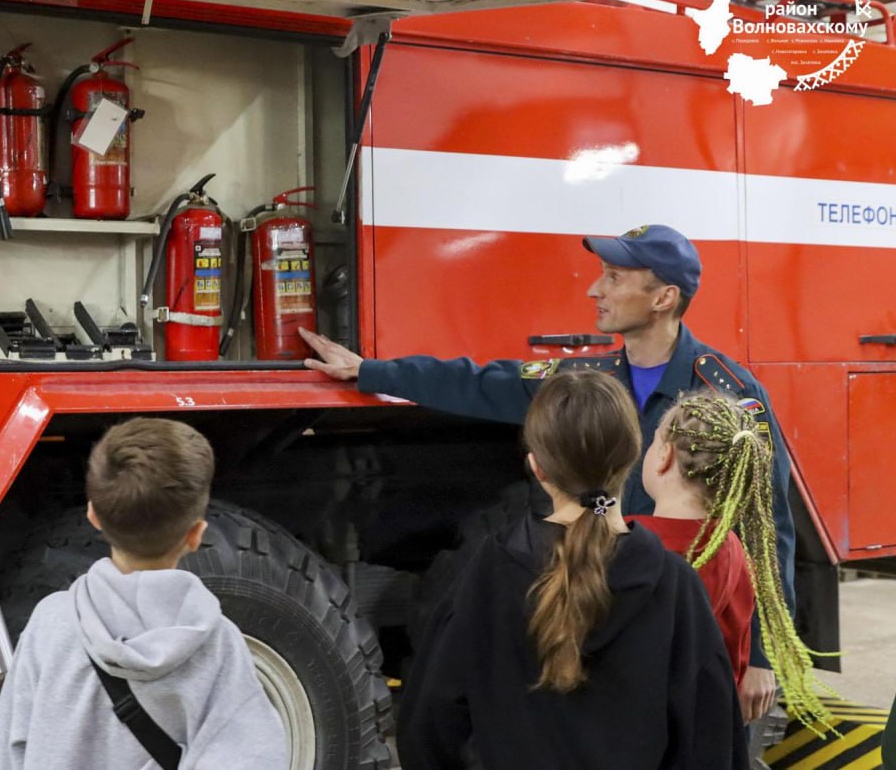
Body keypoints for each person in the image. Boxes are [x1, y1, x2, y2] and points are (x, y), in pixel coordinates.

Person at [299, 222, 795, 721]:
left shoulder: (726, 392)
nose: (594, 289)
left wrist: (762, 658)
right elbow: (482, 382)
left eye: (615, 278)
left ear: (664, 297)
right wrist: (370, 372)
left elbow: (768, 527)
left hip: (696, 624)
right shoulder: (592, 383)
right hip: (612, 617)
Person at [397, 371, 747, 769]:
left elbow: (428, 727)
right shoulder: (675, 584)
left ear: (537, 467)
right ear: (634, 455)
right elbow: (713, 743)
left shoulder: (491, 573)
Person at [0, 418, 287, 770]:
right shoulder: (217, 644)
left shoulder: (50, 623)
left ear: (92, 516)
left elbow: (14, 744)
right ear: (196, 535)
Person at [639, 391, 833, 732]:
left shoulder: (635, 548)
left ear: (664, 457)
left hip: (646, 738)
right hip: (708, 729)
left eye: (653, 441)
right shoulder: (732, 547)